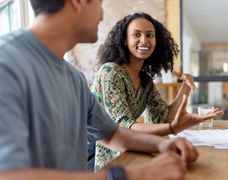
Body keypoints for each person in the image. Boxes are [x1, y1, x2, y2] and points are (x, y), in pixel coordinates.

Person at [0, 1, 201, 179]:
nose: (102, 14)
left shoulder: (74, 78)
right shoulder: (6, 64)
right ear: (78, 2)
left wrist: (162, 145)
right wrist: (136, 174)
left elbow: (112, 135)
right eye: (100, 1)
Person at [91, 12, 224, 170]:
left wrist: (187, 85)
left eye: (150, 35)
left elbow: (164, 117)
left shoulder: (145, 79)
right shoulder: (111, 72)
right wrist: (173, 128)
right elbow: (124, 127)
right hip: (111, 163)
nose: (144, 40)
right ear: (125, 40)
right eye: (136, 34)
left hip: (135, 155)